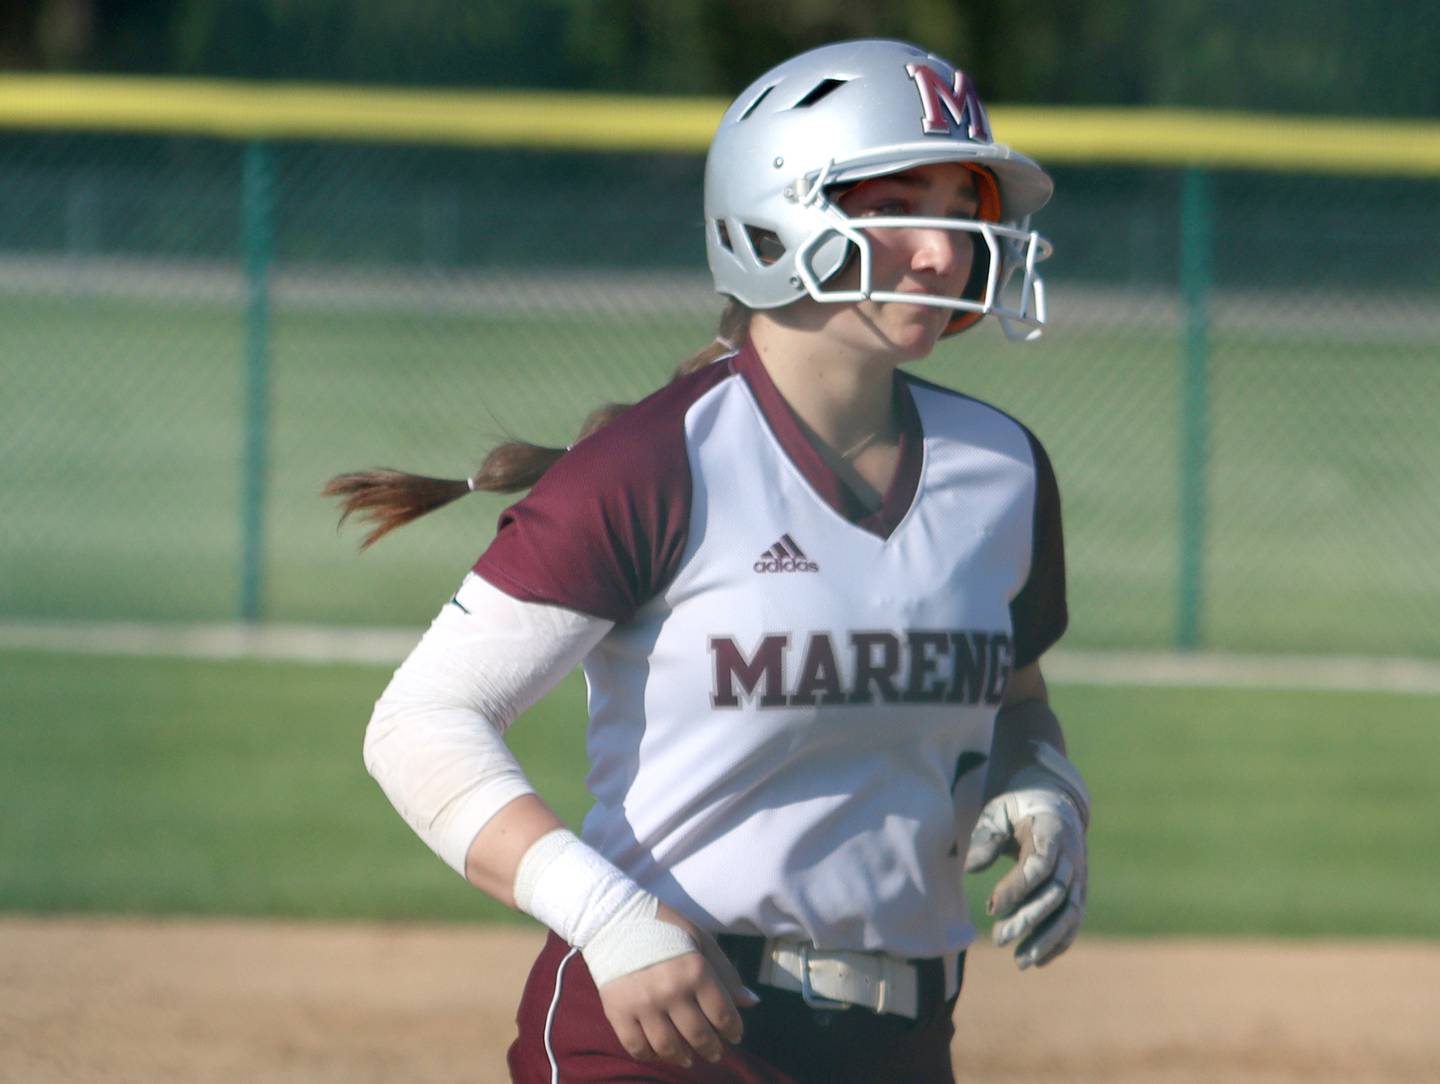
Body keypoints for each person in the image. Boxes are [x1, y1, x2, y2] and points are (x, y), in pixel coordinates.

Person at [327, 38, 1090, 1084]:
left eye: (964, 204)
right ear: (778, 211)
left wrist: (1044, 784)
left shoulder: (1000, 468)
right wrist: (605, 916)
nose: (944, 249)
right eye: (900, 201)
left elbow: (1015, 700)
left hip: (904, 1043)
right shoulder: (658, 460)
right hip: (664, 1027)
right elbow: (419, 725)